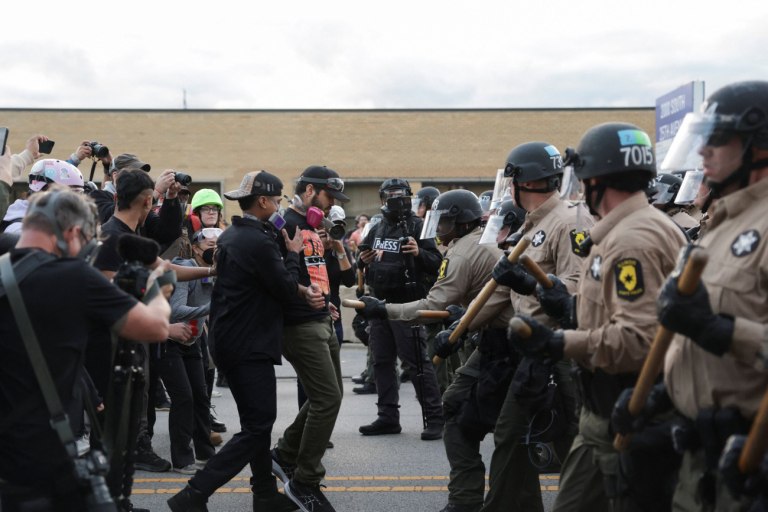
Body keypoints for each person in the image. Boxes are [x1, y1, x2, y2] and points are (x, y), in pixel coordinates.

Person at [507, 122, 687, 511]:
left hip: (625, 405)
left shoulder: (631, 240)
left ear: (598, 180)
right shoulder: (627, 229)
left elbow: (641, 340)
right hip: (601, 409)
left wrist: (557, 342)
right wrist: (569, 306)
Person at [0, 187, 171, 511]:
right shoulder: (72, 276)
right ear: (71, 232)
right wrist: (158, 286)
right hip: (39, 458)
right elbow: (156, 327)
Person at [168, 170, 325, 512]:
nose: (282, 204)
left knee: (256, 422)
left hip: (234, 340)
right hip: (247, 343)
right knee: (257, 427)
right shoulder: (256, 240)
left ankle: (264, 493)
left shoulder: (237, 235)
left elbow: (266, 282)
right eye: (279, 199)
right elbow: (283, 288)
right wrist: (294, 253)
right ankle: (193, 494)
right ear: (264, 201)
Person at [650, 80, 768, 511]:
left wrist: (720, 331)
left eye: (718, 138)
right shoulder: (722, 219)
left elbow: (719, 324)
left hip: (751, 456)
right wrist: (665, 391)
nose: (703, 152)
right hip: (700, 460)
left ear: (759, 144)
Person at [481, 141, 591, 511]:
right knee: (518, 437)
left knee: (574, 441)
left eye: (510, 179)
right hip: (531, 351)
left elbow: (577, 294)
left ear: (523, 182)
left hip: (560, 351)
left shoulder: (568, 222)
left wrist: (532, 284)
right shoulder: (534, 225)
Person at [270, 165, 349, 512]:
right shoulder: (282, 225)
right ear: (309, 191)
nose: (332, 206)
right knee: (326, 398)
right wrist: (303, 295)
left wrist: (327, 301)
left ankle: (285, 454)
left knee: (331, 395)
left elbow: (323, 273)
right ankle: (305, 480)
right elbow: (276, 278)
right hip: (299, 325)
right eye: (329, 197)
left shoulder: (317, 229)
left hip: (323, 320)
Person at [356, 178, 444, 440]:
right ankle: (387, 417)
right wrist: (363, 259)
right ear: (383, 198)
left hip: (407, 305)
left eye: (401, 195)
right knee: (381, 361)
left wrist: (419, 253)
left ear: (409, 197)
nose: (397, 200)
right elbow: (362, 258)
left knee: (416, 362)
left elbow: (437, 264)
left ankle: (435, 417)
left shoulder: (419, 226)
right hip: (380, 304)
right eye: (391, 195)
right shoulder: (377, 226)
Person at [160, 227, 223, 475]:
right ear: (196, 248)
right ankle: (182, 459)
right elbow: (177, 311)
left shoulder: (217, 272)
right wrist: (211, 307)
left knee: (201, 396)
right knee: (184, 398)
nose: (214, 252)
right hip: (169, 341)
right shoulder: (185, 268)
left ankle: (206, 454)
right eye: (209, 246)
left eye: (218, 247)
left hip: (192, 341)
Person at [89, 153, 183, 251]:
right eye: (133, 172)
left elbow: (167, 233)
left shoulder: (141, 210)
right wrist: (155, 192)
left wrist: (171, 196)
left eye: (141, 173)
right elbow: (115, 214)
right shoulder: (97, 197)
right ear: (115, 176)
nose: (139, 177)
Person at [2, 159, 86, 233]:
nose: (73, 201)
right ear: (46, 192)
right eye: (69, 195)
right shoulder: (20, 231)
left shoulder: (41, 218)